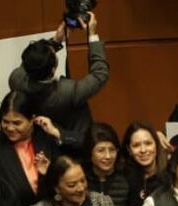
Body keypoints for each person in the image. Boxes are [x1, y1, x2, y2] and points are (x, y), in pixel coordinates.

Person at [9, 13, 109, 154]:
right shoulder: (70, 92)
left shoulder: (16, 80)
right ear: (54, 68)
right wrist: (92, 34)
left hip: (41, 149)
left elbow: (30, 63)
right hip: (77, 149)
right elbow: (100, 74)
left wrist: (56, 41)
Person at [0, 91, 61, 206]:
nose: (10, 128)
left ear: (32, 119)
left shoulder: (47, 139)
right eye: (5, 122)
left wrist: (56, 133)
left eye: (17, 123)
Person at [119, 121, 171, 206]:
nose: (143, 150)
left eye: (148, 143)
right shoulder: (124, 178)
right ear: (129, 150)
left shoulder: (170, 174)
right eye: (136, 145)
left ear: (156, 144)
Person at [86, 122, 128, 206]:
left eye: (112, 150)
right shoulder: (82, 179)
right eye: (101, 150)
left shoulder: (126, 177)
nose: (108, 156)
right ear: (90, 152)